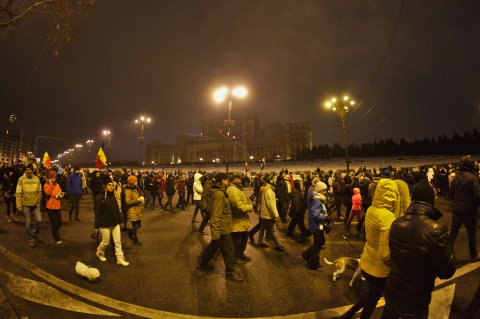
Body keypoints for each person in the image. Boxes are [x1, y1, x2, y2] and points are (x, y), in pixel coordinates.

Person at [381, 179, 456, 319]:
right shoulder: (436, 231)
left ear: (412, 199)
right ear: (431, 201)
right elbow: (447, 271)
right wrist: (449, 248)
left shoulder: (396, 224)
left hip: (393, 290)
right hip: (416, 299)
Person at [341, 179, 411, 319]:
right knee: (375, 299)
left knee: (370, 296)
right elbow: (385, 255)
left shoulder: (372, 209)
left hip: (367, 262)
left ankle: (348, 315)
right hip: (379, 270)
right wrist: (397, 262)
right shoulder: (388, 218)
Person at [197, 173, 243, 282]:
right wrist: (216, 233)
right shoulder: (219, 195)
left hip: (224, 226)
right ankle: (230, 272)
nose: (228, 182)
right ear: (222, 181)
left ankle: (202, 263)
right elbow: (216, 215)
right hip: (223, 228)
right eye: (227, 180)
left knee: (213, 247)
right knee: (229, 251)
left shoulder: (220, 192)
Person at [449, 155, 480, 262]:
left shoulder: (455, 178)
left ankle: (448, 255)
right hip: (469, 210)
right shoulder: (473, 178)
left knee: (453, 233)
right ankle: (473, 255)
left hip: (457, 210)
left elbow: (450, 195)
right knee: (471, 234)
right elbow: (477, 196)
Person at [95, 181, 129, 266]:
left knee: (118, 242)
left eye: (112, 185)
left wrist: (121, 221)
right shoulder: (100, 197)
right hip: (104, 224)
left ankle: (120, 259)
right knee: (105, 242)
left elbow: (117, 210)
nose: (111, 187)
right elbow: (97, 213)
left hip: (115, 223)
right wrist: (96, 227)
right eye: (109, 185)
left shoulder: (113, 196)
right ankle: (99, 252)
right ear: (105, 186)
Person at [301, 181, 330, 270]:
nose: (325, 192)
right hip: (316, 226)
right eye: (323, 190)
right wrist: (325, 218)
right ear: (319, 190)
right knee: (318, 244)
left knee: (320, 243)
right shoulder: (317, 200)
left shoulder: (316, 198)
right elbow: (315, 214)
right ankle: (314, 264)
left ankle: (305, 255)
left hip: (318, 225)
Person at [227, 173, 253, 264]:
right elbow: (238, 207)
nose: (240, 179)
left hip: (241, 220)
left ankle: (240, 253)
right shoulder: (233, 190)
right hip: (236, 220)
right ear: (233, 179)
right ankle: (235, 257)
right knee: (237, 241)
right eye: (238, 178)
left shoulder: (237, 188)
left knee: (244, 238)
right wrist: (251, 207)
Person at [257, 173, 286, 252]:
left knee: (262, 228)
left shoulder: (267, 188)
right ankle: (277, 245)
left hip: (265, 213)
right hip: (268, 214)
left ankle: (260, 242)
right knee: (272, 230)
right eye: (273, 179)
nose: (274, 180)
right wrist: (276, 215)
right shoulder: (269, 190)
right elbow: (271, 205)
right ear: (270, 180)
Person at [16, 164, 43, 247]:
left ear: (33, 170)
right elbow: (18, 193)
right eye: (27, 169)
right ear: (25, 170)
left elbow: (39, 191)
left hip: (35, 204)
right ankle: (30, 237)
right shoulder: (21, 179)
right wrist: (19, 205)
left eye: (30, 169)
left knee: (39, 221)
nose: (28, 170)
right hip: (25, 204)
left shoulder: (37, 179)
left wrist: (38, 201)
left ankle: (33, 233)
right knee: (27, 223)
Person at [43, 168, 64, 245]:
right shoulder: (46, 185)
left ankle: (53, 230)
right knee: (54, 223)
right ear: (49, 178)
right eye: (51, 178)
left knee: (59, 222)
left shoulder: (58, 185)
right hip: (50, 207)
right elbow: (48, 193)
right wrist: (51, 184)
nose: (53, 179)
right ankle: (57, 238)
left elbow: (60, 192)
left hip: (57, 206)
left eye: (54, 178)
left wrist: (61, 195)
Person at [124, 175, 144, 246]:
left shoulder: (133, 188)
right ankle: (135, 239)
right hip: (132, 211)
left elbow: (135, 197)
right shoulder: (128, 190)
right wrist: (138, 199)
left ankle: (129, 232)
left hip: (136, 210)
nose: (137, 182)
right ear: (132, 182)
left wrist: (139, 197)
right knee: (135, 226)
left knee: (139, 225)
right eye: (136, 181)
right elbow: (128, 202)